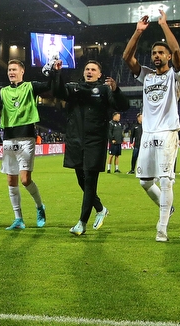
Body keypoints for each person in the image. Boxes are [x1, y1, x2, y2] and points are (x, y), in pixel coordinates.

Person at [122, 9, 180, 242]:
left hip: (168, 131)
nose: (156, 55)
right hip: (147, 133)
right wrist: (138, 32)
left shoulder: (176, 75)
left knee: (166, 179)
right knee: (145, 182)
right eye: (154, 53)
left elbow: (178, 51)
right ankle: (166, 208)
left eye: (161, 52)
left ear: (168, 57)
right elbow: (127, 58)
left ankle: (162, 228)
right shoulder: (147, 75)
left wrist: (164, 26)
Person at [50, 59, 129, 236]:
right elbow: (58, 91)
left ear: (99, 74)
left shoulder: (104, 90)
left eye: (94, 69)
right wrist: (56, 74)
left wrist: (116, 90)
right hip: (75, 141)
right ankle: (100, 208)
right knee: (81, 180)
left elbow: (123, 106)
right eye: (87, 69)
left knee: (90, 181)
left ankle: (82, 222)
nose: (90, 71)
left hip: (95, 141)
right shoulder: (74, 88)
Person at [0, 59, 50, 230]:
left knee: (25, 180)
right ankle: (18, 219)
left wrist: (53, 72)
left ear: (22, 71)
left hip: (26, 138)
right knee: (11, 180)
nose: (11, 72)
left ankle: (40, 207)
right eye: (9, 69)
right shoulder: (3, 92)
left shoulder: (30, 87)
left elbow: (49, 86)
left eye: (14, 69)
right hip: (9, 139)